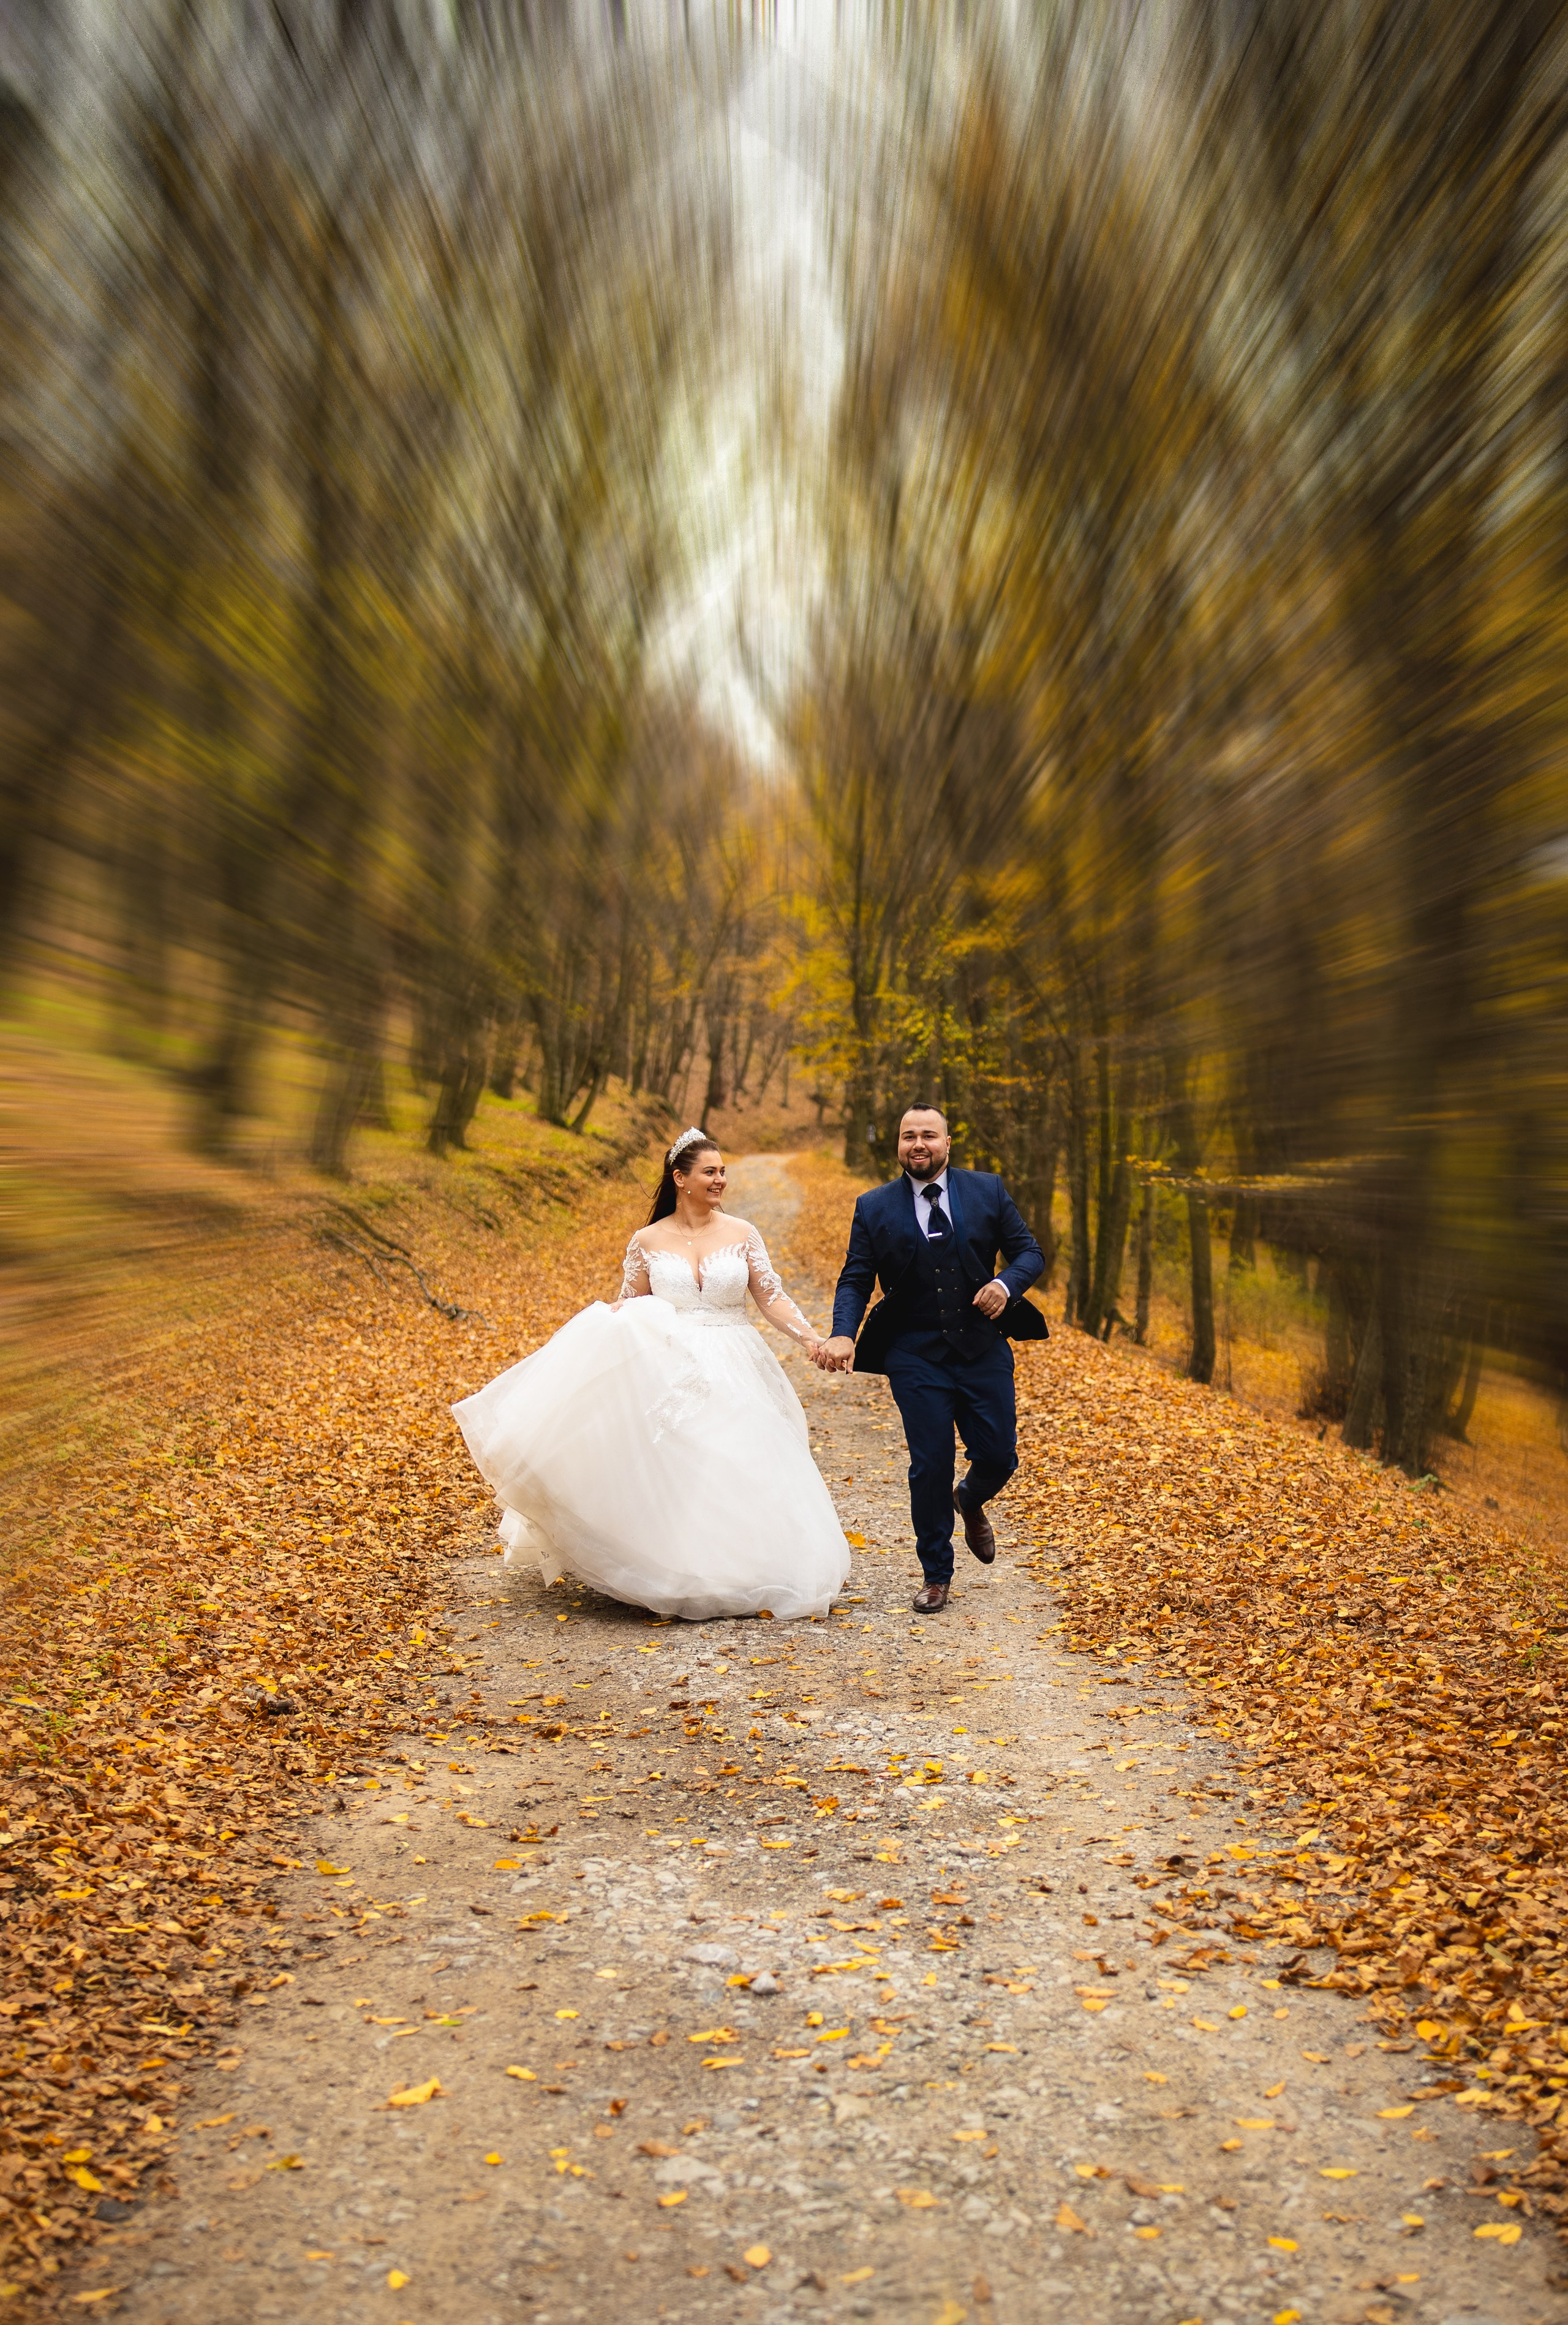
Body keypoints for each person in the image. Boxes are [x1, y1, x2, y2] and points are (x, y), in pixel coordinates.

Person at [452, 1129, 851, 1622]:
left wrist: (811, 1340)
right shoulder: (647, 1240)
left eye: (723, 1171)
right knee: (682, 1464)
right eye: (710, 1171)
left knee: (741, 1454)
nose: (720, 1179)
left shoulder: (743, 1233)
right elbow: (633, 1303)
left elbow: (769, 1297)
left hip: (735, 1356)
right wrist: (604, 1325)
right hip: (673, 1360)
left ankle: (752, 1568)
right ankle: (684, 1570)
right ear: (680, 1179)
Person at [814, 1104, 1046, 1613]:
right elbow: (856, 1278)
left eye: (928, 1136)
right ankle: (936, 1573)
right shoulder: (874, 1207)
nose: (918, 1144)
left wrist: (1005, 1285)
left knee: (1000, 1454)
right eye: (907, 1137)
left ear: (947, 1143)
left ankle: (971, 1498)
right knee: (930, 1465)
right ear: (898, 1145)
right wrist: (842, 1334)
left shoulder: (987, 1190)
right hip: (913, 1354)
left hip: (982, 1347)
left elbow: (1030, 1253)